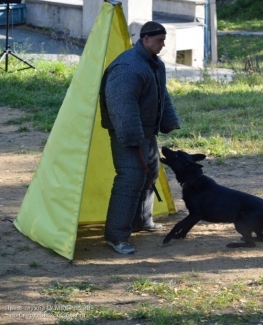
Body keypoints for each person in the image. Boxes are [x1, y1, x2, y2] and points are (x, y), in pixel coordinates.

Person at [99, 21, 181, 254]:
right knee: (130, 179)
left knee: (150, 174)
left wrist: (168, 121)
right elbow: (121, 105)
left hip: (146, 132)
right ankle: (116, 237)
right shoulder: (127, 67)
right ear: (146, 39)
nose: (163, 45)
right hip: (129, 134)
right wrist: (132, 136)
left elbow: (160, 94)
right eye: (160, 41)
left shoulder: (155, 64)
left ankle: (142, 221)